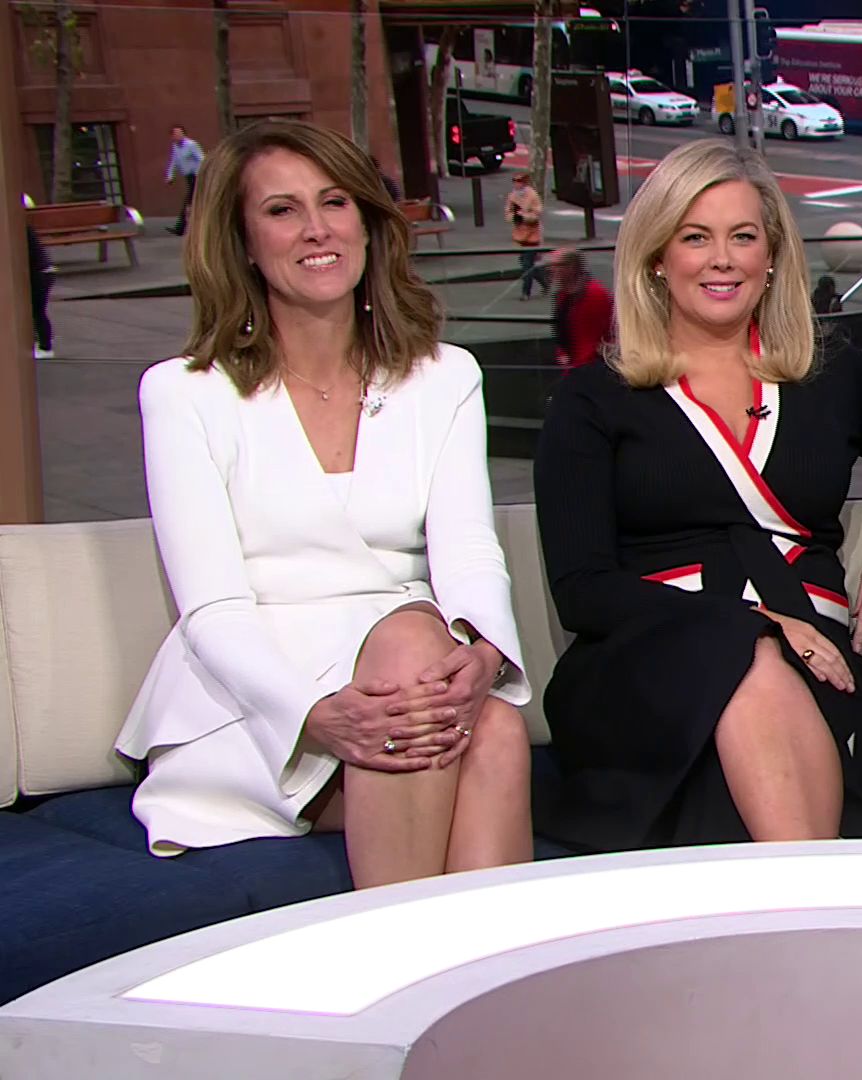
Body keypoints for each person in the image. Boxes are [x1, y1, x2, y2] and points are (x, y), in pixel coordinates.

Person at [116, 119, 534, 888]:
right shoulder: (185, 394)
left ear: (367, 224)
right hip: (259, 697)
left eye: (334, 202)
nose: (317, 229)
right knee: (434, 674)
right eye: (282, 210)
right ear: (244, 242)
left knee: (490, 718)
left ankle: (407, 955)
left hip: (406, 671)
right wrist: (316, 714)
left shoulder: (444, 376)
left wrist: (483, 654)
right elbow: (213, 609)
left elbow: (469, 550)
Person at [534, 138, 862, 850]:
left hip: (815, 653)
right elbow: (581, 589)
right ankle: (813, 895)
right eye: (696, 237)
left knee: (744, 738)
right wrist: (753, 624)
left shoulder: (832, 374)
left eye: (743, 237)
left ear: (772, 254)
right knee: (747, 657)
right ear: (657, 257)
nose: (721, 259)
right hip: (644, 660)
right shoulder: (592, 399)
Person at [549, 247, 614, 371]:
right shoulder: (564, 294)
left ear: (571, 267)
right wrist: (563, 354)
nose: (552, 269)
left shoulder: (594, 294)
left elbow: (598, 336)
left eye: (558, 265)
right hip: (576, 363)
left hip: (590, 366)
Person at [506, 172, 548, 301]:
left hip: (532, 235)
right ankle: (545, 282)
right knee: (528, 264)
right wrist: (514, 217)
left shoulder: (532, 195)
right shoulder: (512, 196)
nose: (516, 184)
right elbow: (508, 213)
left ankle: (526, 292)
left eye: (519, 181)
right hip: (520, 235)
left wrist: (524, 216)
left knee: (527, 264)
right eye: (514, 181)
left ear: (524, 182)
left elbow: (537, 213)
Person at [164, 124, 204, 236]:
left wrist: (203, 173)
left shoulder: (191, 145)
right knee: (194, 202)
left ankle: (180, 228)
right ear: (172, 136)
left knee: (189, 201)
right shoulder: (175, 147)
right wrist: (170, 176)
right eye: (176, 134)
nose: (178, 136)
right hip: (189, 177)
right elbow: (173, 162)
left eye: (180, 133)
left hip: (197, 176)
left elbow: (201, 158)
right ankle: (189, 227)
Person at [27, 223, 53, 360]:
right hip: (44, 270)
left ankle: (45, 347)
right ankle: (42, 342)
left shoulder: (20, 231)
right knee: (36, 311)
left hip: (40, 272)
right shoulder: (23, 228)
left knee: (37, 311)